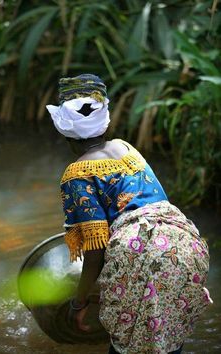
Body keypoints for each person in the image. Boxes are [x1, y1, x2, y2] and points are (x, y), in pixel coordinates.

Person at [46, 74, 212, 354]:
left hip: (137, 253)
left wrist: (79, 301)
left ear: (64, 131)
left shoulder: (77, 174)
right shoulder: (126, 149)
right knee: (167, 340)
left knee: (128, 345)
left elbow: (96, 251)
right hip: (185, 245)